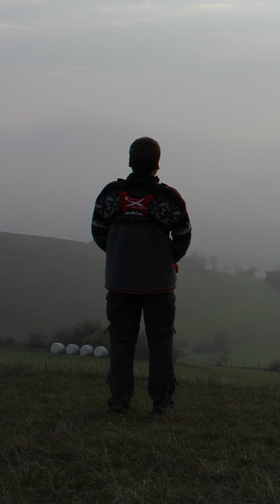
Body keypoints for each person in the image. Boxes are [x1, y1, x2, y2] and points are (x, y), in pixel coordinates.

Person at [91, 137, 192, 415]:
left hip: (119, 282)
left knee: (121, 342)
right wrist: (165, 259)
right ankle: (162, 403)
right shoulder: (169, 198)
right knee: (161, 343)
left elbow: (98, 231)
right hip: (159, 285)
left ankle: (119, 402)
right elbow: (183, 236)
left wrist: (119, 253)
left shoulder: (110, 194)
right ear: (157, 163)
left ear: (130, 161)